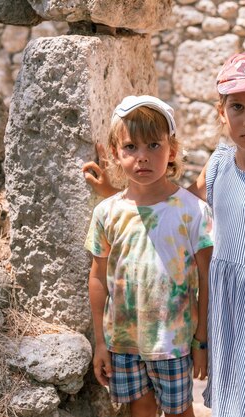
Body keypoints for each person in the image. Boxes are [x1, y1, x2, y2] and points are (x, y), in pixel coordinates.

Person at [83, 52, 245, 417]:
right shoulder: (218, 163)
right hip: (224, 306)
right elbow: (170, 205)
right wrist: (114, 195)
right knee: (233, 405)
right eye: (238, 107)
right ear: (222, 112)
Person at [85, 95, 214, 417]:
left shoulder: (193, 212)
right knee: (139, 410)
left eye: (153, 146)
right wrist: (100, 343)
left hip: (174, 342)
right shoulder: (107, 212)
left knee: (180, 411)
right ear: (115, 153)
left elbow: (207, 280)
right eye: (131, 147)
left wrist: (202, 343)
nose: (142, 158)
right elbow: (98, 277)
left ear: (172, 150)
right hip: (123, 343)